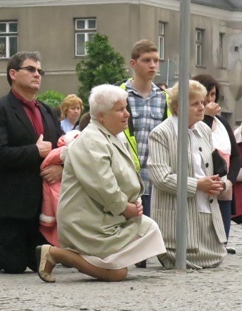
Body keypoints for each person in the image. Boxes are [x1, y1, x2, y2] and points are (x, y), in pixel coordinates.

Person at [35, 84, 166, 283]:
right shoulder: (91, 140)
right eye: (120, 109)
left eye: (126, 108)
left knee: (144, 236)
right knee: (123, 266)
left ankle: (64, 256)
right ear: (102, 116)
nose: (127, 114)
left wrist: (133, 202)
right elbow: (102, 185)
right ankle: (56, 254)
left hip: (105, 217)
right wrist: (124, 208)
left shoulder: (114, 136)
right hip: (88, 223)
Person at [0, 51, 64, 274]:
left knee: (37, 264)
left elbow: (64, 147)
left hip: (43, 204)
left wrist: (60, 167)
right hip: (12, 202)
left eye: (39, 71)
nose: (37, 74)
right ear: (13, 74)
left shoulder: (47, 111)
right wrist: (35, 151)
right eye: (31, 69)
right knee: (14, 265)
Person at [148, 80, 228, 269]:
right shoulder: (161, 133)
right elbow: (161, 178)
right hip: (177, 216)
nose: (202, 108)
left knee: (212, 260)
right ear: (177, 107)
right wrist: (198, 185)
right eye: (195, 104)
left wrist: (219, 183)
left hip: (207, 211)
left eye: (202, 102)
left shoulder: (204, 129)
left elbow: (209, 167)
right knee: (183, 258)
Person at [120, 39, 170, 217]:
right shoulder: (118, 94)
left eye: (156, 60)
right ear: (133, 63)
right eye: (147, 60)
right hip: (127, 184)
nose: (153, 65)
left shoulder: (167, 98)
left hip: (158, 184)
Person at [192, 74, 240, 254]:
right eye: (207, 95)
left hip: (223, 189)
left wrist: (230, 182)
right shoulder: (194, 124)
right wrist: (208, 117)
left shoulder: (223, 124)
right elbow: (200, 142)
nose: (210, 100)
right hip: (202, 187)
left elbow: (235, 157)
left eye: (213, 95)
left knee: (222, 242)